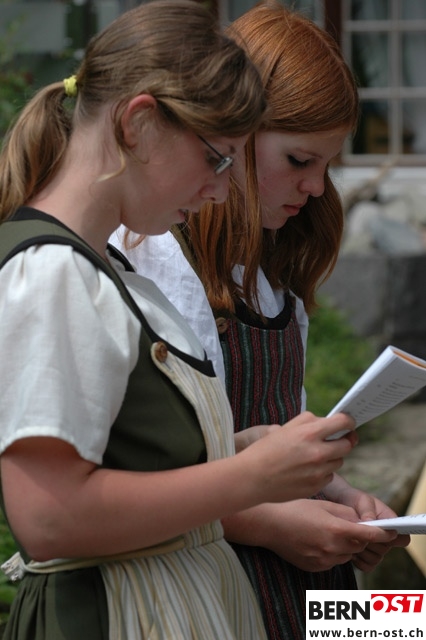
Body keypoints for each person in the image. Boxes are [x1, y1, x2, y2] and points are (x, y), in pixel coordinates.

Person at [0, 1, 361, 638]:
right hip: (147, 607)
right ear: (139, 124)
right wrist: (252, 479)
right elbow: (49, 519)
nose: (221, 187)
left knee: (402, 622)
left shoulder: (115, 268)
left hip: (251, 597)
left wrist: (322, 487)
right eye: (219, 157)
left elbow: (149, 460)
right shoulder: (62, 268)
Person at [111, 2, 410, 639]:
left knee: (405, 623)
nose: (317, 188)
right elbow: (130, 484)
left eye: (327, 166)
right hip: (215, 592)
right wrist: (270, 524)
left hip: (309, 590)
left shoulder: (273, 278)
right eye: (300, 161)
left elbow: (276, 434)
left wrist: (346, 499)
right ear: (234, 140)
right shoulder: (151, 263)